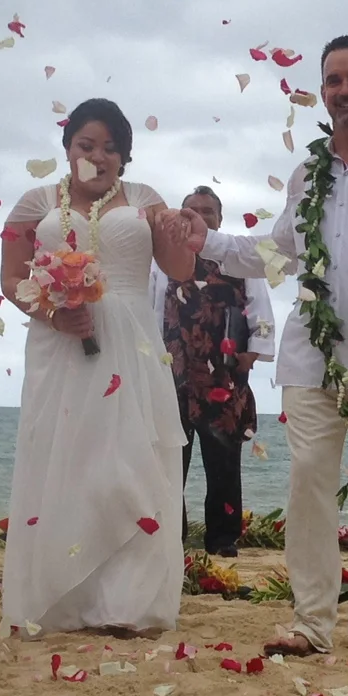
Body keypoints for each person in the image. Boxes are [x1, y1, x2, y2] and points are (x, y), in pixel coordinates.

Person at [177, 35, 348, 656]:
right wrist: (211, 242)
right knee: (307, 479)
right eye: (333, 81)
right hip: (314, 359)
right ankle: (311, 623)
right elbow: (280, 253)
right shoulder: (309, 171)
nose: (345, 90)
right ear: (322, 93)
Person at [0, 99, 199, 636]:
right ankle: (64, 596)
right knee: (69, 458)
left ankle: (126, 602)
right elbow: (12, 279)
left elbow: (179, 270)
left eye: (111, 148)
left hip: (130, 344)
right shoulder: (34, 203)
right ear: (67, 149)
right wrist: (54, 314)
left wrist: (180, 238)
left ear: (124, 158)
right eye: (87, 145)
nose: (98, 156)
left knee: (129, 462)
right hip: (60, 345)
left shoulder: (146, 202)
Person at [149, 185, 275, 558]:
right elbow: (152, 308)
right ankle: (171, 537)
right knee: (172, 460)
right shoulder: (163, 259)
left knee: (223, 461)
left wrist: (252, 354)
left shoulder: (236, 257)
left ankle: (222, 540)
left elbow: (261, 310)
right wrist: (152, 358)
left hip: (224, 374)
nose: (201, 216)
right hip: (174, 371)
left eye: (209, 211)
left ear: (220, 219)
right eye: (192, 210)